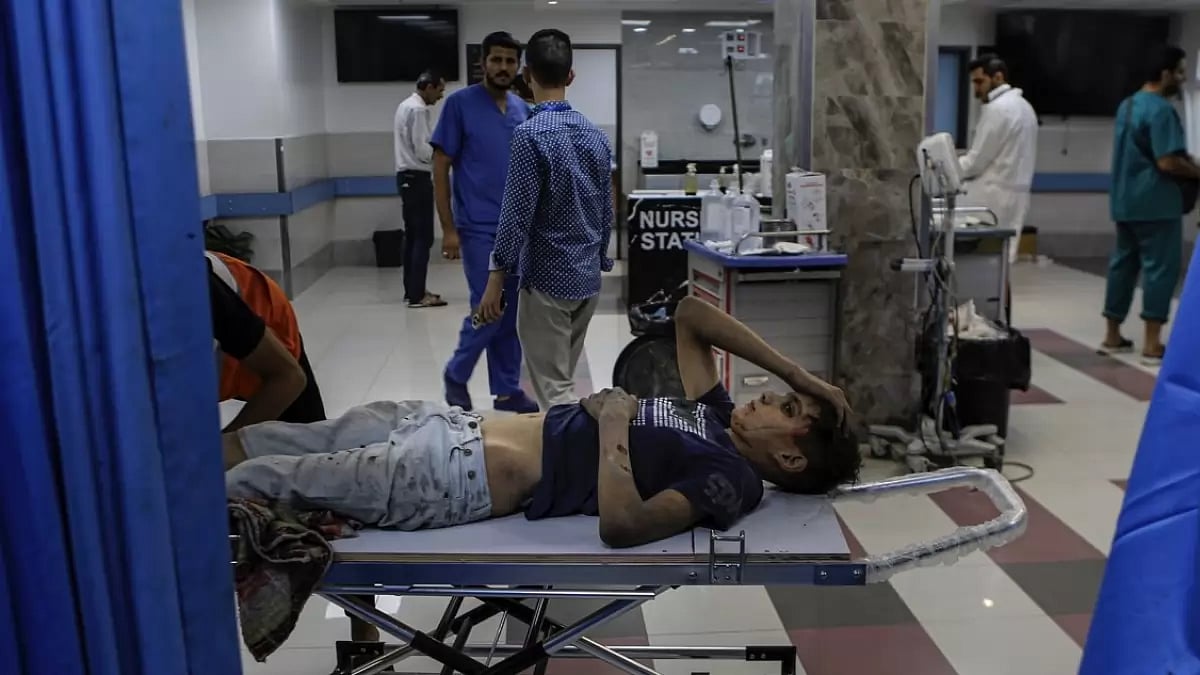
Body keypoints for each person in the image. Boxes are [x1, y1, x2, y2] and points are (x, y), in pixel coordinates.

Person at [223, 296, 861, 549]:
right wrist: (802, 375)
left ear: (793, 460)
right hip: (447, 424)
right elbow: (693, 314)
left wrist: (614, 421)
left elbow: (624, 525)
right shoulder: (716, 420)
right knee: (273, 440)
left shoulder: (730, 479)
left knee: (263, 476)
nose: (769, 397)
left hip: (452, 476)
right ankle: (156, 465)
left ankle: (135, 514)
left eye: (788, 409)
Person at [478, 29, 614, 411]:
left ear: (525, 75)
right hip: (587, 280)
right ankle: (563, 457)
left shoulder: (529, 136)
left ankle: (569, 466)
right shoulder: (596, 137)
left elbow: (515, 214)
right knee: (561, 379)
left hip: (546, 285)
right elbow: (607, 209)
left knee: (555, 396)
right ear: (570, 76)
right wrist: (601, 259)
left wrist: (496, 277)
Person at [431, 31, 538, 414]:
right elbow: (440, 166)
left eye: (510, 61)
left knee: (510, 313)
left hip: (519, 229)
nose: (503, 67)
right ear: (483, 62)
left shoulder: (521, 109)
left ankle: (507, 390)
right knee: (488, 306)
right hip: (478, 227)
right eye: (496, 60)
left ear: (518, 67)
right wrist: (448, 228)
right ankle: (457, 373)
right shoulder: (460, 105)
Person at [1102, 45, 1198, 366]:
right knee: (1160, 270)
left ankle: (1112, 336)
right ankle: (1153, 344)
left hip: (1126, 201)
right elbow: (1168, 161)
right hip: (1156, 204)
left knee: (1123, 266)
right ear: (1165, 73)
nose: (1183, 78)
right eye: (1180, 71)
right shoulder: (1160, 110)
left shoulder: (1127, 106)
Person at [208, 251, 325, 432]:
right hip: (216, 352)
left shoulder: (200, 288)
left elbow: (289, 378)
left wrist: (224, 447)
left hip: (262, 315)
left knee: (306, 439)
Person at [957, 53, 1039, 265]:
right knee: (1002, 265)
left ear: (998, 77)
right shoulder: (1026, 108)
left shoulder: (997, 110)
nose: (976, 90)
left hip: (991, 199)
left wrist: (946, 168)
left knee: (979, 265)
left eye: (979, 82)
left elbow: (976, 162)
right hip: (1016, 197)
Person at [394, 70, 448, 309]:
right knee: (422, 238)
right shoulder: (418, 110)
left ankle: (412, 290)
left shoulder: (404, 105)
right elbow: (423, 151)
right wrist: (444, 154)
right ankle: (417, 296)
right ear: (428, 87)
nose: (440, 96)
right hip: (417, 178)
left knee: (413, 236)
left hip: (407, 178)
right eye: (439, 90)